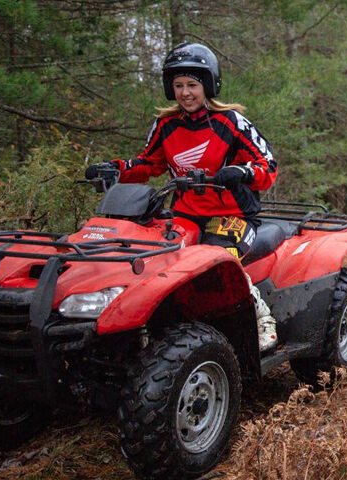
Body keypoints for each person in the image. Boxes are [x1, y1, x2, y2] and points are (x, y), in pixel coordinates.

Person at [86, 42, 278, 351]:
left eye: (192, 85)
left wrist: (241, 172)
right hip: (185, 214)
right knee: (156, 262)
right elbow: (149, 163)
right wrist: (115, 169)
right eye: (178, 86)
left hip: (234, 214)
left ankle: (262, 319)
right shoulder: (165, 124)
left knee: (219, 260)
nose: (186, 92)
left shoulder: (230, 122)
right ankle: (150, 326)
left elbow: (268, 166)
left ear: (208, 85)